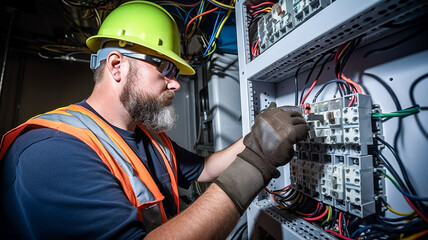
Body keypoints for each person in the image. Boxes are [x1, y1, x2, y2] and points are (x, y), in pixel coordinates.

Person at [0, 1, 309, 239]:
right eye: (164, 68)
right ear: (117, 65)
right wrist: (256, 162)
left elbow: (206, 168)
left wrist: (258, 137)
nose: (175, 84)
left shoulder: (149, 138)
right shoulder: (51, 153)